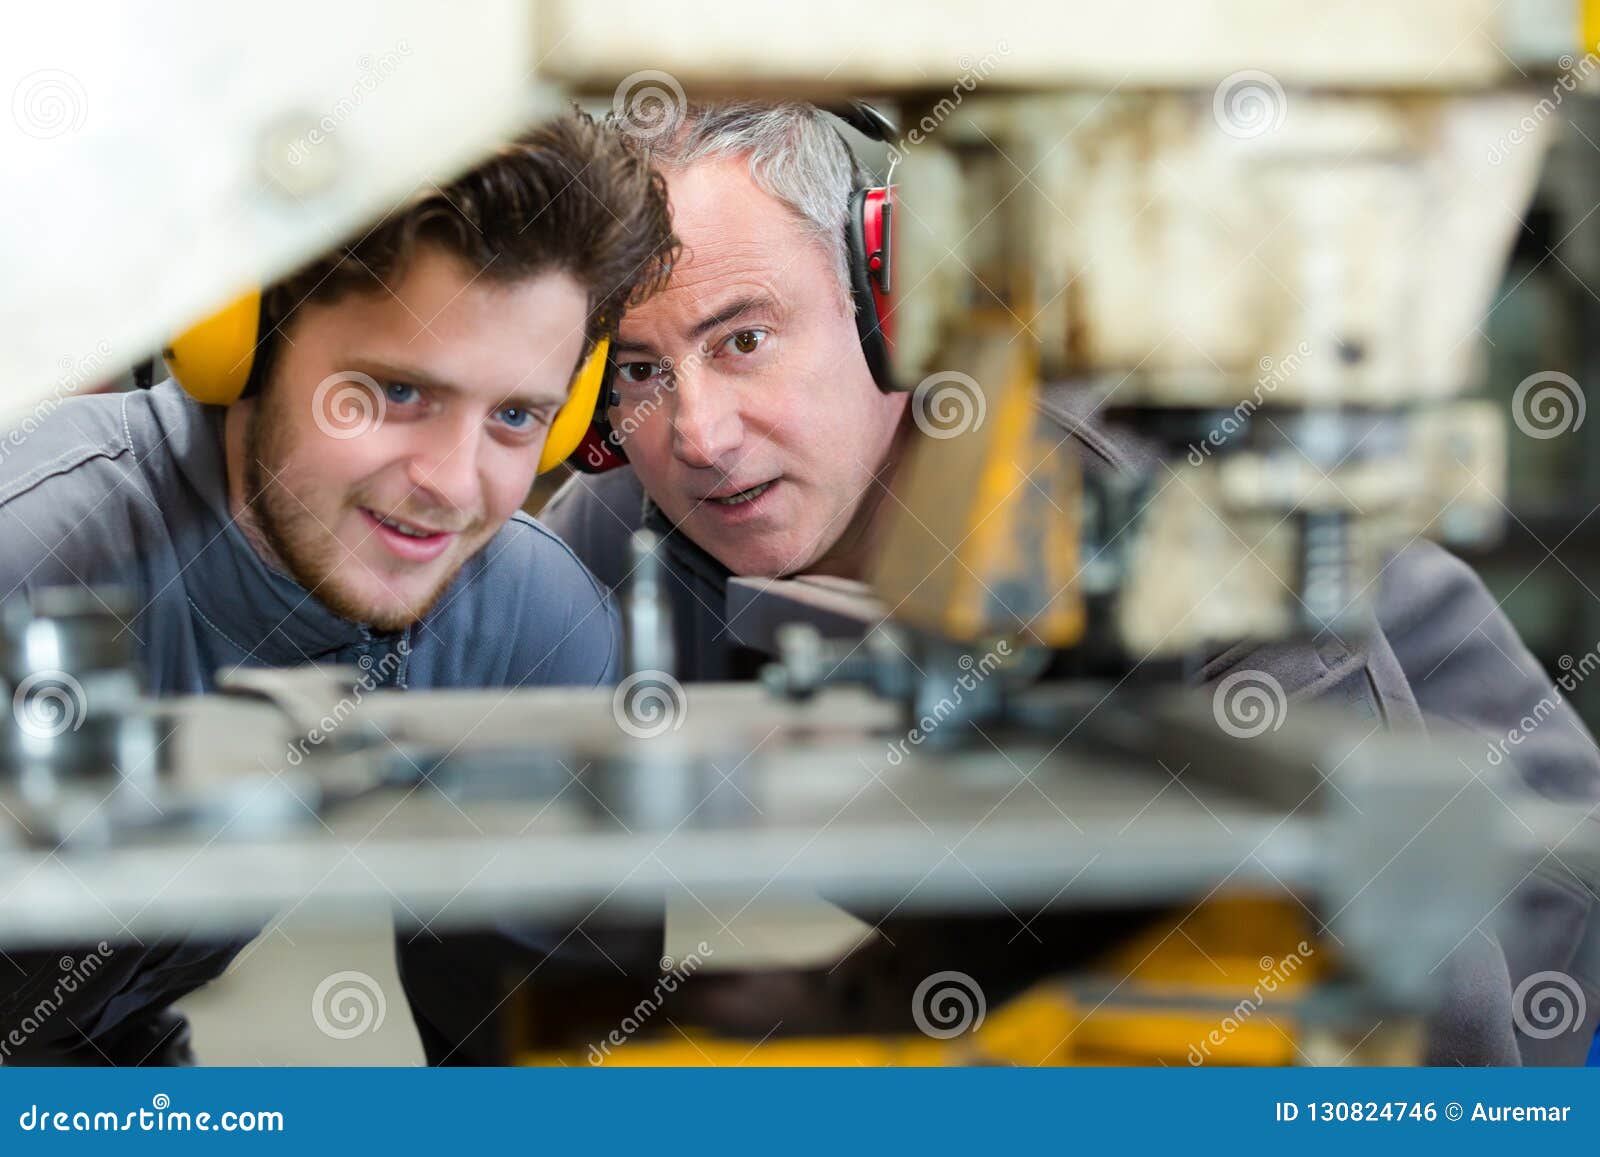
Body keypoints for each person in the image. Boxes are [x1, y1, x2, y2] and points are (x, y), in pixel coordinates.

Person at [541, 100, 1600, 1065]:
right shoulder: (634, 518)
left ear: (895, 301)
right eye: (639, 368)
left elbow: (1409, 924)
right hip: (1081, 959)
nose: (699, 432)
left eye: (746, 338)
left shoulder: (1124, 507)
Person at [0, 109, 675, 1064]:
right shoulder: (34, 549)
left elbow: (546, 1072)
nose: (450, 481)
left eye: (518, 416)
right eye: (397, 393)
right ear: (244, 340)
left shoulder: (525, 628)